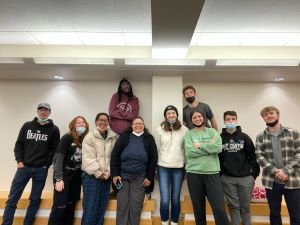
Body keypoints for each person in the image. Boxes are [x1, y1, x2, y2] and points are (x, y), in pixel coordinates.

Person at [2, 103, 60, 225]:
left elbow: (54, 150)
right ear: (37, 111)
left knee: (34, 199)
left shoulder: (54, 129)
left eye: (46, 110)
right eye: (41, 109)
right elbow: (18, 145)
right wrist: (19, 161)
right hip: (24, 168)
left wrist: (46, 165)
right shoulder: (27, 126)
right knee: (13, 198)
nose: (43, 112)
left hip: (40, 170)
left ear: (49, 112)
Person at [255, 106, 300, 225]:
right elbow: (260, 157)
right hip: (271, 182)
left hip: (293, 180)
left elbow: (299, 154)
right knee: (274, 213)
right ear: (263, 118)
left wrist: (285, 171)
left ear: (278, 115)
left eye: (271, 113)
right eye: (265, 114)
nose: (269, 116)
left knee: (296, 214)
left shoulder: (293, 133)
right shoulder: (260, 137)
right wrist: (276, 171)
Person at [184, 110, 229, 225]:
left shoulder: (212, 131)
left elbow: (218, 148)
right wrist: (209, 145)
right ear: (191, 120)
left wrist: (200, 145)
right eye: (194, 117)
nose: (197, 119)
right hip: (193, 174)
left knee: (219, 208)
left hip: (212, 173)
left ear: (203, 118)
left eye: (199, 116)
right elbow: (190, 152)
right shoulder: (189, 134)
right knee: (198, 209)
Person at [110, 117, 158, 225]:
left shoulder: (149, 138)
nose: (138, 125)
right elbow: (115, 155)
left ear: (143, 125)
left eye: (140, 123)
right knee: (122, 205)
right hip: (123, 176)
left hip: (140, 178)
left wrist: (149, 176)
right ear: (131, 125)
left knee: (136, 206)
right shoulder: (124, 136)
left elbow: (153, 159)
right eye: (135, 123)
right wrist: (115, 174)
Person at [219, 111, 260, 225]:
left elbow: (253, 156)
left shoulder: (244, 137)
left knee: (245, 207)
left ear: (236, 120)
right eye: (228, 119)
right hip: (227, 178)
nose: (230, 121)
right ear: (224, 121)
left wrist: (254, 175)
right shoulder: (219, 138)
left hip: (246, 178)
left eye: (233, 119)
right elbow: (217, 158)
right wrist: (220, 175)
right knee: (234, 207)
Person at [48, 116, 89, 225]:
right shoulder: (67, 138)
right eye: (78, 123)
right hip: (63, 177)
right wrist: (58, 178)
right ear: (73, 125)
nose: (81, 125)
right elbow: (58, 158)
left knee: (71, 206)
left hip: (76, 178)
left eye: (83, 123)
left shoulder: (85, 140)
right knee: (60, 205)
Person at [81, 113, 117, 225]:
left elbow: (114, 157)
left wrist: (108, 173)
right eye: (100, 120)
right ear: (96, 122)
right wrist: (98, 173)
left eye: (105, 120)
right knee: (90, 209)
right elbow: (88, 158)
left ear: (108, 122)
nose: (103, 122)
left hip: (105, 177)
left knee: (102, 208)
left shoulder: (112, 137)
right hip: (92, 177)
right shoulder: (89, 137)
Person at [154, 105, 188, 225]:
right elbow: (156, 149)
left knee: (175, 198)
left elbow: (186, 150)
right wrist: (155, 168)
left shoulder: (185, 129)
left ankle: (174, 222)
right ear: (165, 116)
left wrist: (186, 166)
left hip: (178, 167)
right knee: (164, 198)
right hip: (162, 167)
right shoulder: (159, 129)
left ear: (177, 115)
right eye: (168, 114)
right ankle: (164, 222)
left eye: (173, 113)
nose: (171, 115)